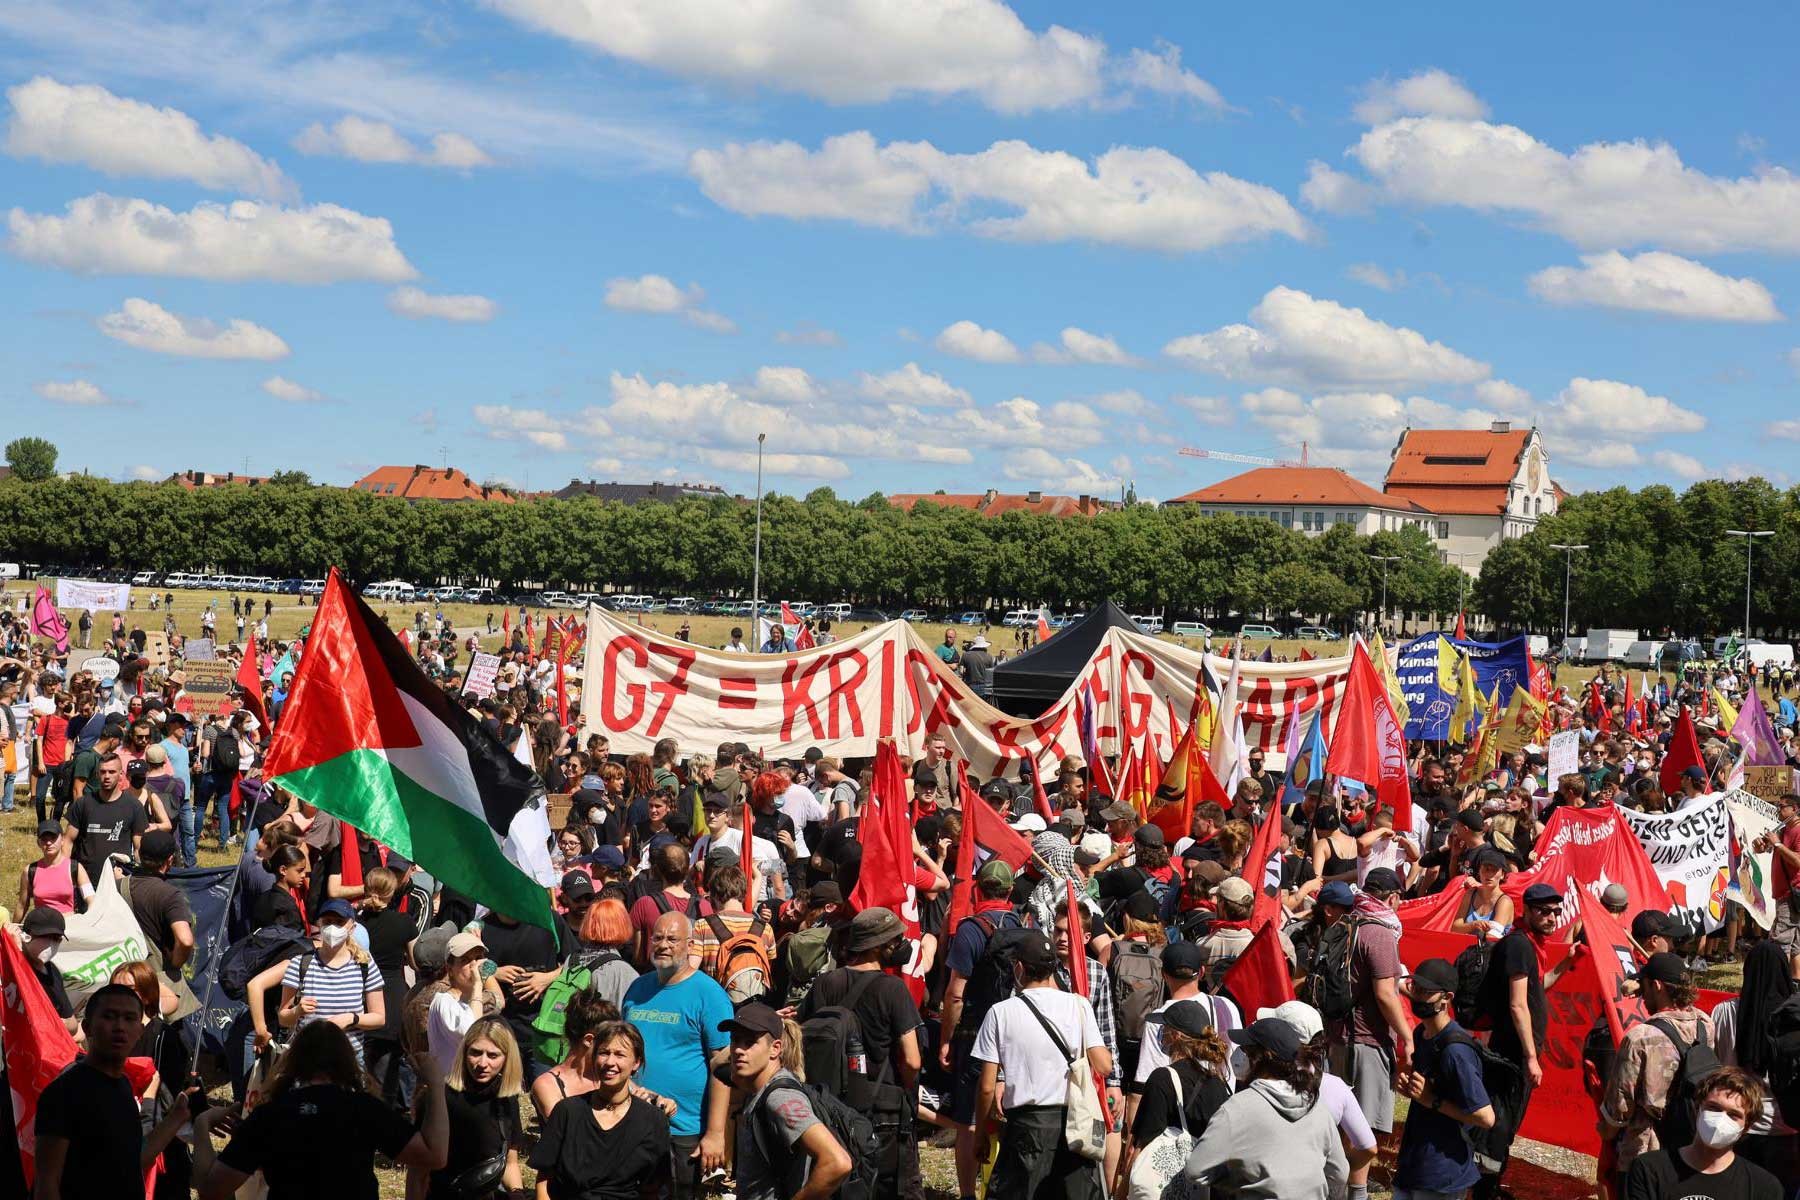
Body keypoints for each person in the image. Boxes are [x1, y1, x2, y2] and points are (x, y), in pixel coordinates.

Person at [197, 1020, 450, 1198]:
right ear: (346, 1061)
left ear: (295, 1061)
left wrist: (201, 1126)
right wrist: (436, 1085)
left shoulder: (270, 1116)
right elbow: (434, 1155)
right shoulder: (364, 1109)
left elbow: (211, 1189)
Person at [972, 929, 1113, 1200]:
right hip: (1072, 1127)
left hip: (1025, 1128)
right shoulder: (1079, 1006)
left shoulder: (1001, 1013)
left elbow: (987, 1087)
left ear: (1020, 967)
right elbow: (1104, 1066)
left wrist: (980, 1134)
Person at [800, 906, 925, 1199]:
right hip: (882, 1111)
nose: (899, 947)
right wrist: (905, 1092)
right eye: (895, 941)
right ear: (879, 946)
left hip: (830, 1107)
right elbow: (911, 1059)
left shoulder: (825, 983)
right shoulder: (893, 988)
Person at [34, 983, 194, 1200]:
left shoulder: (124, 1087)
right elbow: (47, 1184)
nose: (119, 1026)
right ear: (88, 1027)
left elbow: (133, 1162)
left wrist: (176, 1118)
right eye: (109, 1016)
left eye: (129, 1019)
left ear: (139, 1030)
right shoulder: (65, 1091)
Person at [622, 911, 733, 1196]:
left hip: (685, 1128)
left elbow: (722, 1065)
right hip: (632, 1120)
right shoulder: (637, 988)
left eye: (673, 939)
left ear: (690, 945)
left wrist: (716, 1133)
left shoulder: (709, 994)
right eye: (657, 938)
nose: (663, 945)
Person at [1184, 1017, 1349, 1200]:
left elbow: (1196, 1169)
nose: (1239, 1054)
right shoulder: (1316, 1106)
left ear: (1258, 1058)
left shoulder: (1237, 1108)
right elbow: (1340, 1172)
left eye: (1245, 1049)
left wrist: (1237, 1179)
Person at [940, 858, 1025, 1200]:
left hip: (976, 1033)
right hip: (1017, 1030)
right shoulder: (1024, 926)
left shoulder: (971, 929)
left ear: (977, 889)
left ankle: (966, 1194)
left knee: (967, 1120)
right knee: (1011, 1115)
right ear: (1009, 892)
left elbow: (955, 993)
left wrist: (946, 1039)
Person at [1474, 881, 1564, 1200]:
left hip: (1516, 1054)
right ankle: (1484, 1191)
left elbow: (1537, 988)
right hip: (1508, 1054)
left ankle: (1491, 1187)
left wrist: (1569, 961)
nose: (1552, 917)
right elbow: (1517, 1003)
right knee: (1498, 1124)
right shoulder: (1519, 945)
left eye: (1557, 911)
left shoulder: (1532, 945)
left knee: (1507, 1123)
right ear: (1527, 911)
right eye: (1544, 911)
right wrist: (1529, 1056)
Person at [1600, 953, 1716, 1189]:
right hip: (1691, 1146)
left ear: (1656, 986)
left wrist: (1606, 1133)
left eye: (1645, 986)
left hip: (1644, 1153)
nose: (1642, 996)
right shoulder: (1706, 1024)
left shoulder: (1640, 1038)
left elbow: (1620, 1108)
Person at [531, 1018, 673, 1199]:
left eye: (620, 1055)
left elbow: (653, 1189)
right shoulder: (568, 1111)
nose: (610, 1062)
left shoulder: (653, 1120)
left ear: (636, 1063)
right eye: (604, 1053)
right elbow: (544, 1178)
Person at [725, 1002, 852, 1200]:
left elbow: (837, 1162)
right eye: (735, 1040)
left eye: (749, 1042)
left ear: (775, 1049)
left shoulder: (779, 1098)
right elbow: (716, 1066)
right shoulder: (755, 1085)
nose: (739, 1050)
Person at [1393, 957, 1496, 1200]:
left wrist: (1432, 1101)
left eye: (1426, 992)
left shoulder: (1456, 1052)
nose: (1417, 996)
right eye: (1415, 988)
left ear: (1446, 998)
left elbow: (1486, 1117)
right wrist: (1411, 1090)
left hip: (1442, 1174)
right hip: (1414, 1164)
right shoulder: (1422, 1034)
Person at [1703, 941, 1798, 1187]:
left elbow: (1713, 1061)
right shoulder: (1793, 1017)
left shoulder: (1723, 1012)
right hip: (1783, 1126)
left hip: (1733, 1123)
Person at [247, 898, 385, 1063]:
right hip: (307, 1061)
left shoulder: (365, 965)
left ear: (352, 927)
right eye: (327, 921)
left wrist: (351, 1018)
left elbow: (379, 1018)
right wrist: (297, 1011)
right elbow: (283, 1018)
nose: (333, 927)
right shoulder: (300, 964)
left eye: (339, 922)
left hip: (349, 1061)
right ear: (319, 925)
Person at [1118, 1000, 1231, 1196]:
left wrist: (1122, 1192)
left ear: (1176, 1035)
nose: (1161, 1035)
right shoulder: (1219, 1085)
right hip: (1203, 1189)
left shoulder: (1162, 1079)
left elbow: (1141, 1146)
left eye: (1165, 1028)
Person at [1624, 1068, 1783, 1200]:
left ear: (1746, 1126)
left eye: (1733, 1115)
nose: (1720, 1119)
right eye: (1713, 1108)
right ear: (1697, 1109)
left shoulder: (1764, 1188)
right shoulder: (1650, 1170)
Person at [424, 1017, 526, 1200]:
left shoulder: (506, 1099)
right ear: (464, 1053)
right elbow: (419, 1171)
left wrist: (517, 1193)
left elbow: (510, 1163)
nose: (482, 1063)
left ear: (507, 1058)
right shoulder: (443, 1096)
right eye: (475, 1053)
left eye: (493, 1055)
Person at [61, 753, 147, 885]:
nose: (107, 776)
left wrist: (140, 879)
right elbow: (67, 841)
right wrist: (64, 874)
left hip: (118, 880)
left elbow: (138, 848)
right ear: (97, 774)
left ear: (121, 775)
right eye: (103, 772)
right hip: (86, 881)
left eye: (112, 772)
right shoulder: (83, 803)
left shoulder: (134, 806)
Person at [1756, 793, 1800, 977]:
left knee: (1780, 943)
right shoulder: (1782, 829)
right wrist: (1760, 845)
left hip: (1791, 894)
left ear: (1795, 809)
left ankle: (1777, 983)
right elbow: (1764, 848)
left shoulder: (1798, 831)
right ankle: (1795, 985)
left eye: (1782, 806)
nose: (1778, 810)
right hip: (1785, 893)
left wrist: (1779, 845)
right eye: (1778, 806)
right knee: (1796, 945)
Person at [18, 817, 89, 915]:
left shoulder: (75, 868)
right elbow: (22, 905)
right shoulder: (30, 871)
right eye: (44, 839)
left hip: (69, 926)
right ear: (38, 843)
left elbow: (91, 899)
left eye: (53, 838)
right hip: (41, 927)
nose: (48, 843)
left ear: (62, 840)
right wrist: (12, 927)